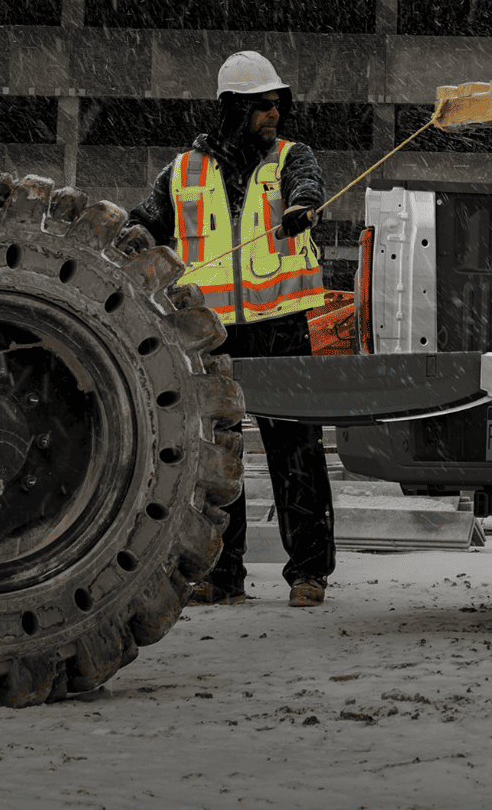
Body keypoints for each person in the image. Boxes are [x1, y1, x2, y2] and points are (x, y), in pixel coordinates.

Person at [127, 50, 336, 608]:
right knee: (217, 457)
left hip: (282, 326)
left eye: (277, 105)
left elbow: (308, 186)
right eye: (264, 106)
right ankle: (220, 575)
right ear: (234, 109)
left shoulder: (292, 158)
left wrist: (303, 208)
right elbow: (143, 225)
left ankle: (308, 573)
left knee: (296, 451)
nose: (275, 115)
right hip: (212, 334)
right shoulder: (182, 172)